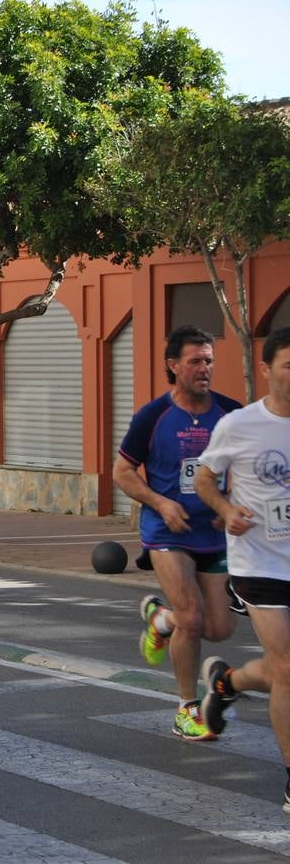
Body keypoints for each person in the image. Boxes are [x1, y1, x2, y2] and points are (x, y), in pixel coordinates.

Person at [114, 325, 240, 740]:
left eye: (209, 361)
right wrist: (161, 503)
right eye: (195, 361)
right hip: (168, 530)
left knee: (219, 628)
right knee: (192, 615)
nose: (204, 368)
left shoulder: (229, 413)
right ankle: (187, 708)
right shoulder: (153, 416)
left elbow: (243, 469)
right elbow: (123, 472)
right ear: (173, 365)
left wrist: (228, 506)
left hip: (213, 532)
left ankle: (160, 619)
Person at [194, 327, 290, 809]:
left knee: (281, 670)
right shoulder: (240, 424)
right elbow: (206, 479)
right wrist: (227, 509)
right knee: (289, 666)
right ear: (268, 369)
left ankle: (225, 683)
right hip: (259, 561)